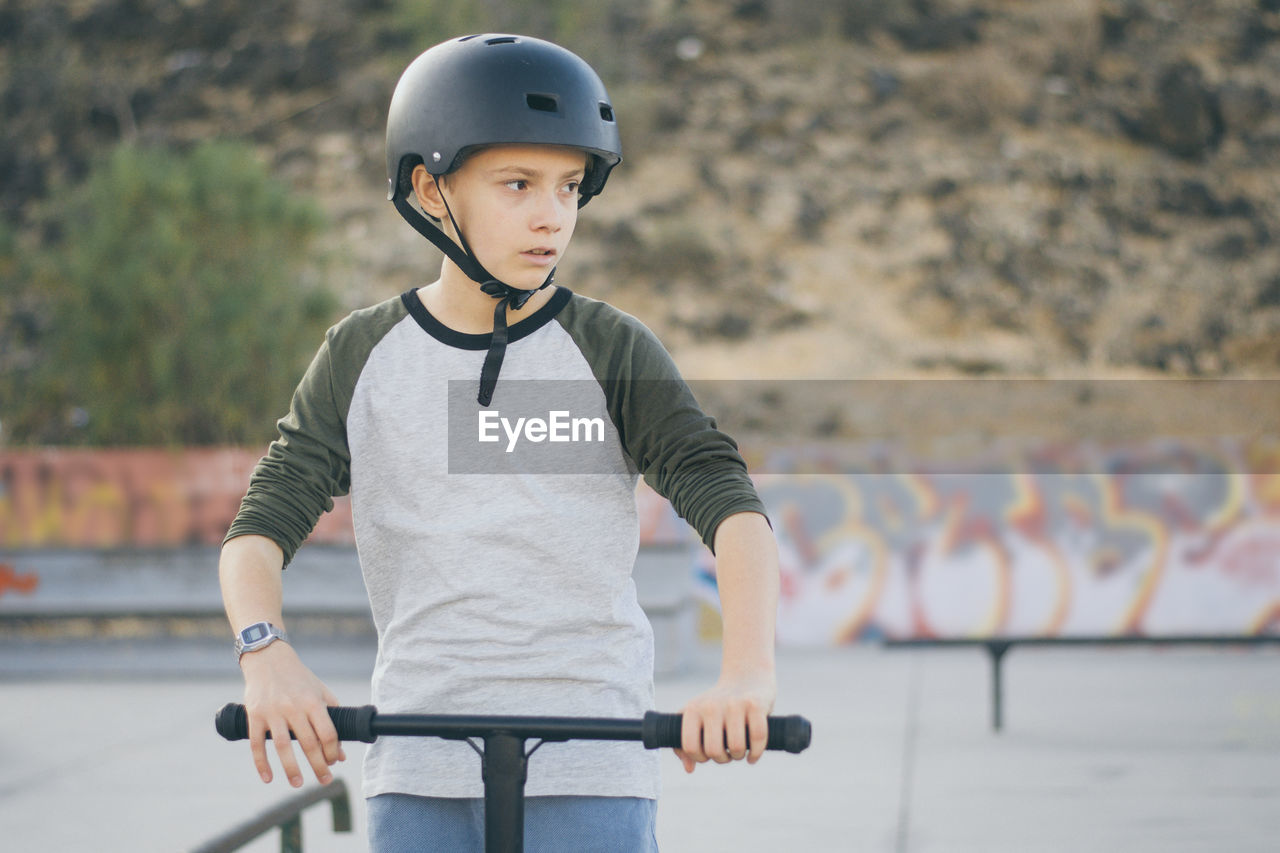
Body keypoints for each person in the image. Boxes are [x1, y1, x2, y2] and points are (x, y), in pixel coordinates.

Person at [219, 33, 779, 851]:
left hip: (592, 762)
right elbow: (259, 527)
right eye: (517, 184)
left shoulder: (611, 346)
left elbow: (730, 505)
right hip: (417, 764)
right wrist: (264, 652)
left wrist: (745, 677)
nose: (552, 215)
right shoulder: (361, 354)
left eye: (569, 187)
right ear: (429, 187)